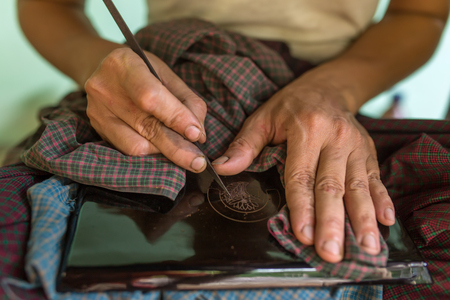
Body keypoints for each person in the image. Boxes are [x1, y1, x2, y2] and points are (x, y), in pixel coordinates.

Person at [16, 0, 449, 264]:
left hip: (332, 93)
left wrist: (332, 91)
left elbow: (420, 12)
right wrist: (103, 62)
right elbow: (49, 4)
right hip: (166, 78)